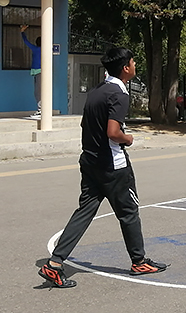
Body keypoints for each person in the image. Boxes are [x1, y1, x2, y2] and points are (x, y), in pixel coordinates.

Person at [37, 47, 168, 288]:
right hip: (113, 166)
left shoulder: (97, 90)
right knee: (128, 213)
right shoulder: (119, 94)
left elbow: (86, 125)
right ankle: (138, 261)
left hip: (89, 161)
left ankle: (55, 263)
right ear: (125, 68)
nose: (135, 64)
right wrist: (128, 139)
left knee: (84, 212)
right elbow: (113, 132)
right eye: (133, 61)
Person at [20, 24, 41, 117]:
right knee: (40, 91)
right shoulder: (46, 50)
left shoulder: (36, 49)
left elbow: (26, 42)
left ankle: (41, 110)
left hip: (39, 72)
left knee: (38, 92)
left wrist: (22, 32)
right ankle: (41, 109)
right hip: (41, 72)